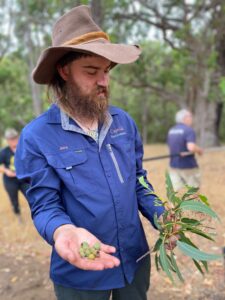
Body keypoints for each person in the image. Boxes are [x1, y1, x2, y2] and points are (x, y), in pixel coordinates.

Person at [15, 5, 176, 300]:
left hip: (134, 264)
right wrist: (63, 231)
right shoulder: (36, 137)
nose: (103, 81)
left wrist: (161, 215)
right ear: (64, 71)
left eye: (106, 71)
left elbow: (138, 182)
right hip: (81, 273)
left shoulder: (123, 123)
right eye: (91, 71)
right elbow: (44, 205)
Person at [167, 109, 203, 191]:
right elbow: (191, 147)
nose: (191, 118)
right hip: (188, 166)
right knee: (193, 193)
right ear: (185, 118)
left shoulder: (171, 130)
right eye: (190, 116)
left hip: (174, 166)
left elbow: (170, 146)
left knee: (175, 193)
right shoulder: (188, 130)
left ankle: (174, 204)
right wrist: (199, 150)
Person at [0, 128, 28, 220]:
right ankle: (19, 217)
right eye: (11, 139)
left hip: (24, 178)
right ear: (7, 141)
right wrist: (6, 171)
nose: (13, 140)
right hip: (10, 181)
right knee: (14, 200)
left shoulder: (24, 148)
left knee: (31, 195)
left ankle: (37, 216)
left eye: (15, 138)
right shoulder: (4, 152)